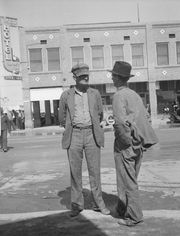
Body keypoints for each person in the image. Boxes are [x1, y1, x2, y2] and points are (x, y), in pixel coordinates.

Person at [109, 61, 158, 226]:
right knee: (129, 179)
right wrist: (137, 141)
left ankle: (134, 216)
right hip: (139, 144)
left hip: (127, 145)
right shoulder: (134, 94)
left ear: (117, 78)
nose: (112, 77)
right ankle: (123, 209)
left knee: (128, 182)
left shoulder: (118, 96)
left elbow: (119, 123)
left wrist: (125, 142)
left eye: (113, 75)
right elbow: (145, 118)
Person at [59, 63, 110, 217]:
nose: (86, 78)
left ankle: (98, 204)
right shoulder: (66, 95)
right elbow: (61, 117)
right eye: (82, 76)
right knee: (75, 172)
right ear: (75, 78)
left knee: (95, 171)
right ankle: (77, 205)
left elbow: (100, 114)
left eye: (87, 75)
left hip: (91, 135)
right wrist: (70, 127)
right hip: (74, 135)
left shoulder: (95, 93)